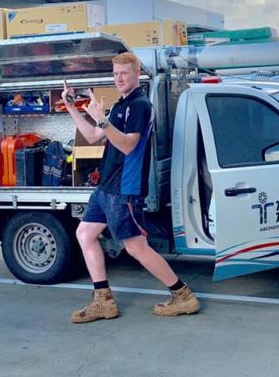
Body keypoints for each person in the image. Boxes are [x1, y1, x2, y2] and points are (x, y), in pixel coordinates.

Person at [63, 52, 200, 323]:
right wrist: (72, 108)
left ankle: (183, 295)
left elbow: (127, 145)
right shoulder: (119, 104)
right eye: (115, 74)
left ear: (136, 74)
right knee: (85, 234)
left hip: (124, 189)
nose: (119, 78)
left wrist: (102, 119)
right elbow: (92, 136)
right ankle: (103, 300)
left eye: (124, 73)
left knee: (136, 248)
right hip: (106, 187)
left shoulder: (140, 105)